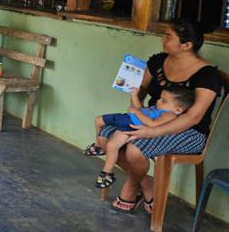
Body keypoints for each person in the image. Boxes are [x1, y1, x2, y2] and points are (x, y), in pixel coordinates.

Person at [93, 18, 221, 214]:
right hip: (151, 119)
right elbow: (141, 90)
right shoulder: (158, 61)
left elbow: (193, 117)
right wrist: (135, 110)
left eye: (169, 36)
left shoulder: (207, 75)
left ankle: (131, 186)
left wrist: (151, 131)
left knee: (134, 150)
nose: (163, 39)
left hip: (189, 132)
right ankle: (146, 184)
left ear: (186, 45)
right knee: (104, 135)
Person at [94, 85, 194, 188]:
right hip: (126, 120)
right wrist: (134, 96)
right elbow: (140, 109)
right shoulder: (156, 108)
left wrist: (136, 112)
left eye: (164, 101)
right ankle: (97, 147)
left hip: (131, 127)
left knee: (111, 145)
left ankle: (106, 173)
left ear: (178, 110)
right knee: (98, 120)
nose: (158, 101)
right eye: (160, 98)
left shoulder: (169, 115)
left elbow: (152, 124)